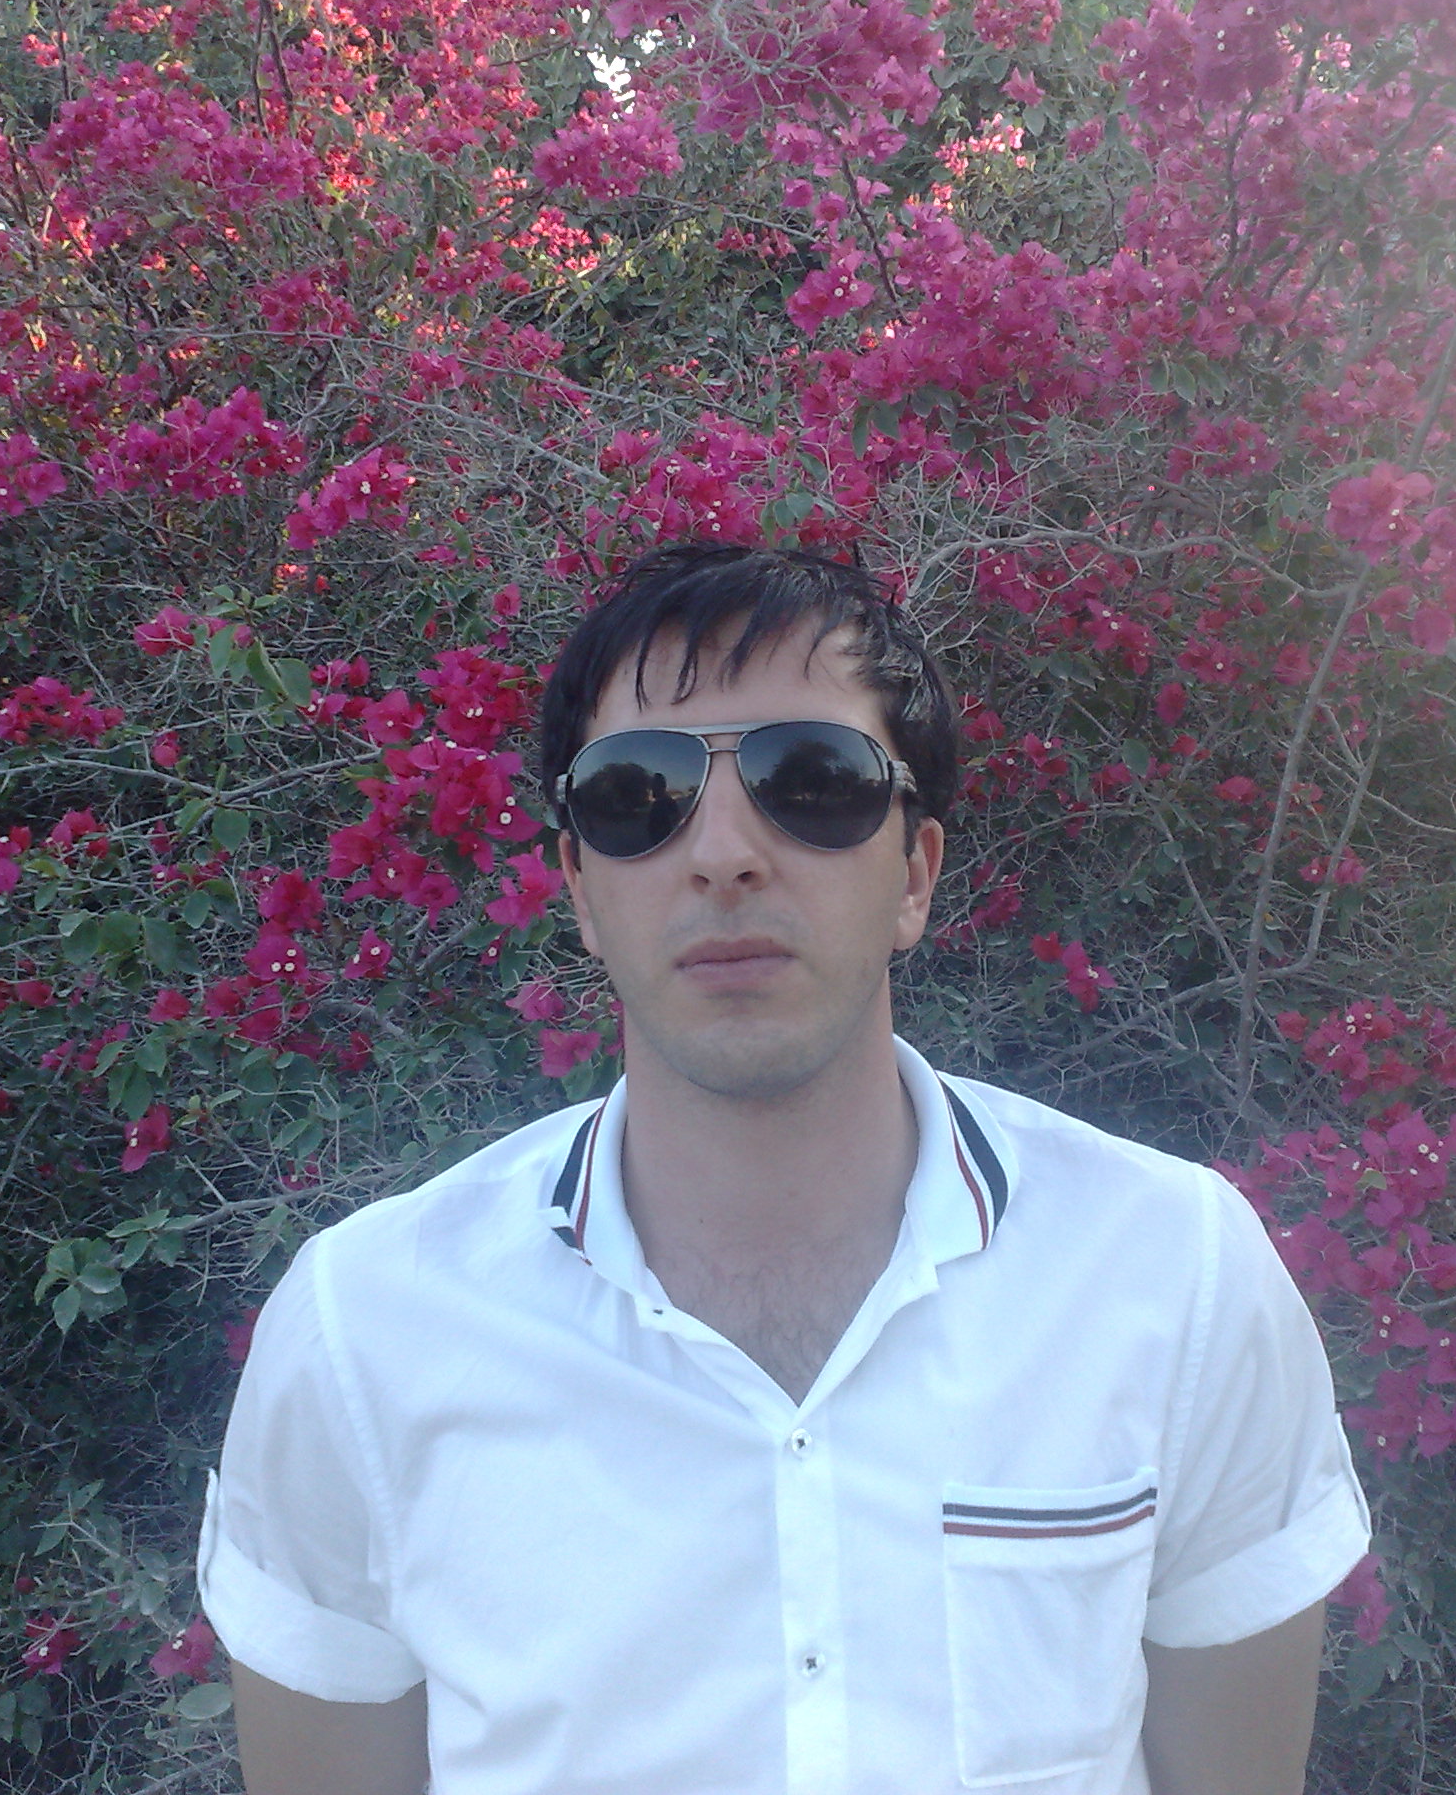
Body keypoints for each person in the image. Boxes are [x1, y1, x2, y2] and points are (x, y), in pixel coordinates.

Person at [198, 543, 1370, 1795]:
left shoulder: (1177, 1274)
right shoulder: (364, 1330)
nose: (723, 854)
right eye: (637, 794)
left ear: (914, 874)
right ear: (580, 890)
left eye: (812, 781)